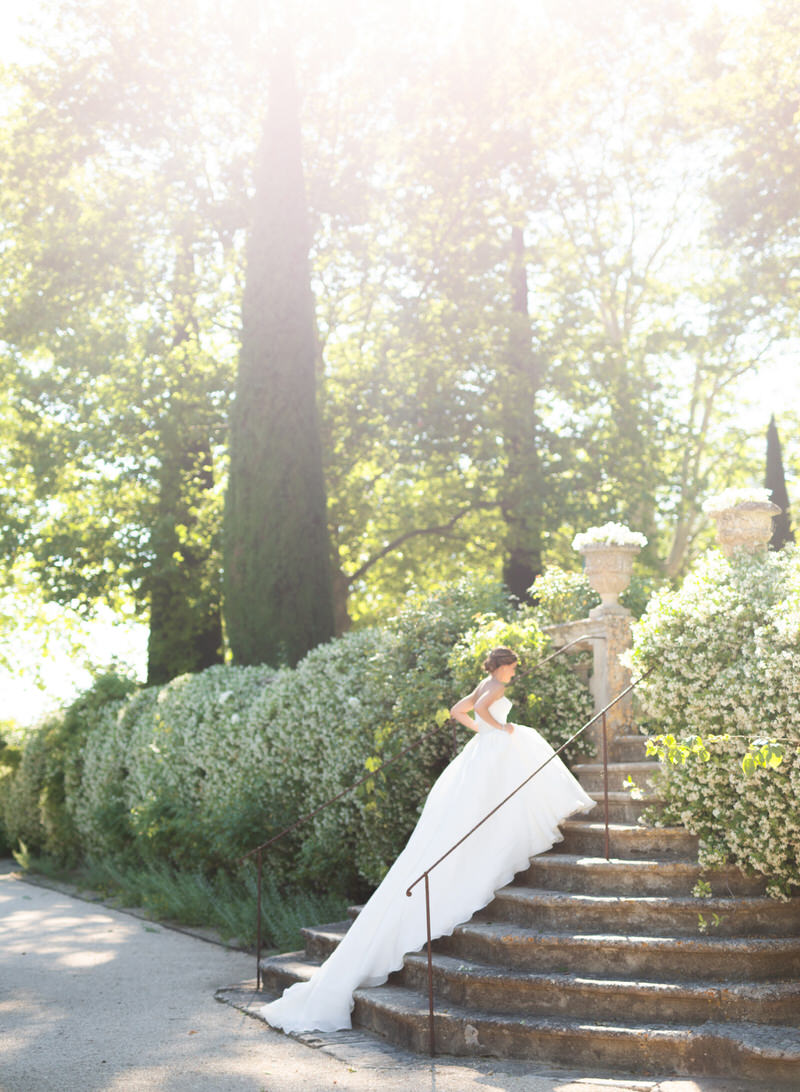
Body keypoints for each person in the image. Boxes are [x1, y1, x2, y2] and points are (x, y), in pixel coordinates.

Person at [260, 646, 594, 1034]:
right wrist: (500, 729)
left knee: (483, 806)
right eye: (512, 668)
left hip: (481, 752)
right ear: (502, 666)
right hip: (494, 747)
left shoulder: (484, 682)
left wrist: (483, 730)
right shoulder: (496, 689)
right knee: (520, 766)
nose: (514, 674)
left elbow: (458, 711)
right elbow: (482, 711)